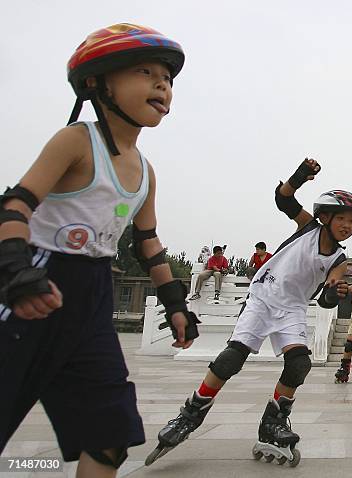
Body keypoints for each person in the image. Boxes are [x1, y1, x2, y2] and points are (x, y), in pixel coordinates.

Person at [0, 24, 199, 477]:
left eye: (166, 78)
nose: (161, 85)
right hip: (34, 283)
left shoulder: (145, 171)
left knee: (110, 434)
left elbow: (148, 245)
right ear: (98, 83)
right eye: (145, 72)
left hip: (91, 303)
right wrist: (13, 270)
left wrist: (175, 305)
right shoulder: (76, 140)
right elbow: (15, 205)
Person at [145, 159, 352, 468]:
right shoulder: (307, 227)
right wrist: (300, 175)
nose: (347, 225)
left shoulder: (340, 259)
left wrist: (332, 293)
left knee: (299, 363)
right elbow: (283, 199)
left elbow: (329, 298)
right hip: (263, 297)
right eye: (342, 218)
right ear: (324, 217)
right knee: (232, 357)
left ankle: (273, 421)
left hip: (292, 308)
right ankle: (190, 414)